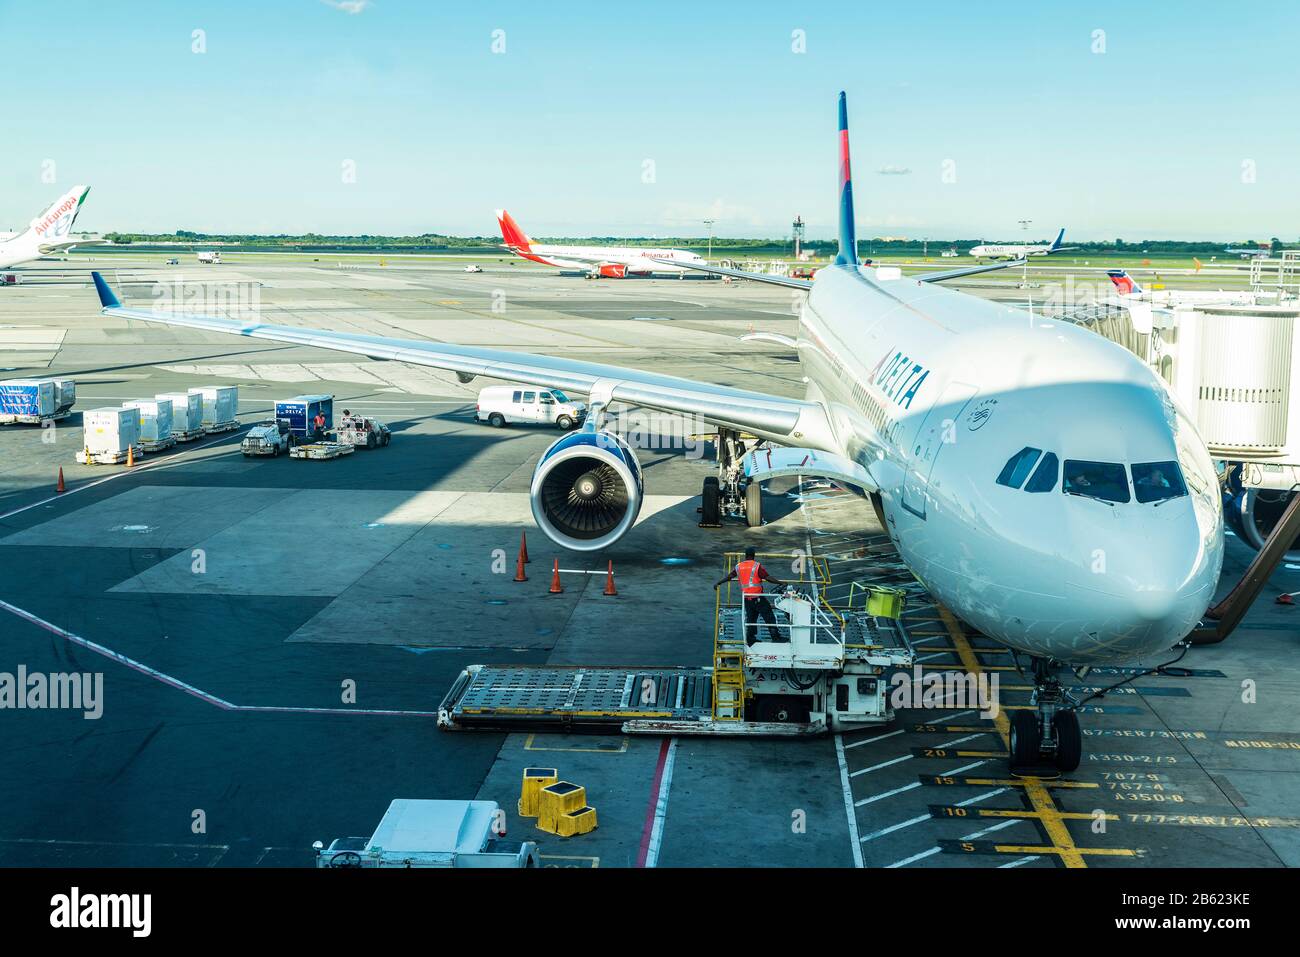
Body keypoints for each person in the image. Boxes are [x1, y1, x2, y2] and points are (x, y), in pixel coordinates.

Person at [714, 547, 786, 645]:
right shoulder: (756, 566)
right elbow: (767, 577)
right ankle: (775, 637)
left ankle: (750, 638)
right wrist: (780, 583)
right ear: (754, 555)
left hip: (747, 598)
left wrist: (718, 583)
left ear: (745, 555)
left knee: (751, 618)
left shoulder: (738, 566)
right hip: (758, 597)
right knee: (769, 616)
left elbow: (729, 576)